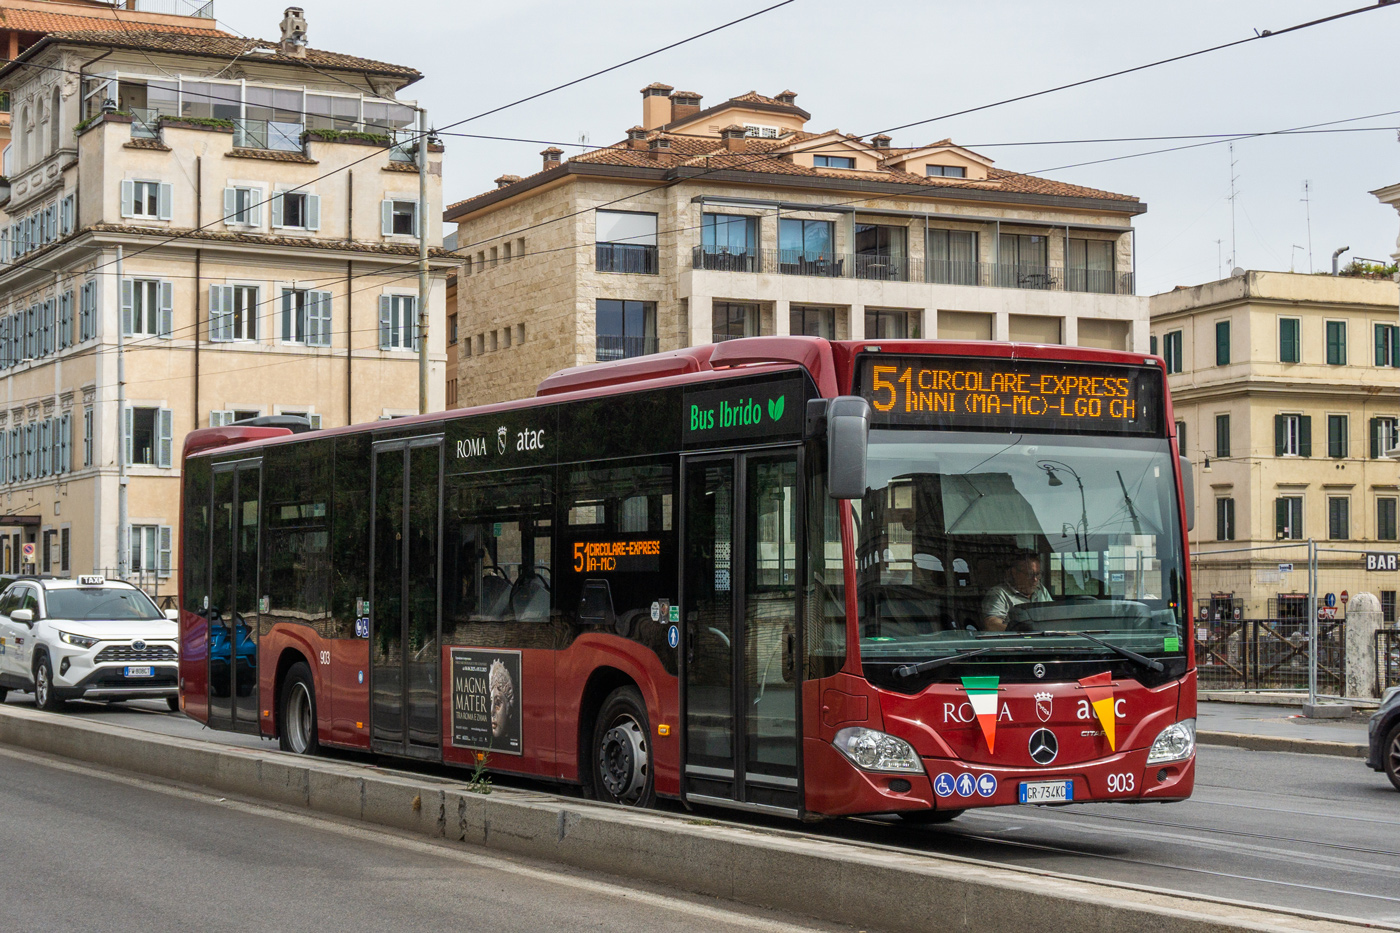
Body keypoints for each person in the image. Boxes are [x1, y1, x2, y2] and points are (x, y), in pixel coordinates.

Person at [981, 552, 1051, 631]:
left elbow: (1053, 614)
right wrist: (1022, 632)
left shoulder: (1041, 589)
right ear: (1014, 573)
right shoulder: (999, 593)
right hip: (1014, 641)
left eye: (1038, 574)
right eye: (1029, 574)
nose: (1035, 579)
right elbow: (992, 624)